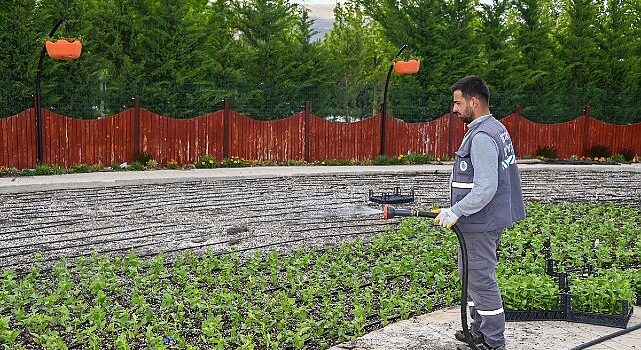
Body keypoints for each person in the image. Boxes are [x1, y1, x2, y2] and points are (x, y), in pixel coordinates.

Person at [433, 75, 525, 350]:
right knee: (472, 276)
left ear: (474, 101)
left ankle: (493, 341)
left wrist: (456, 211)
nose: (454, 108)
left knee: (481, 280)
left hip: (480, 222)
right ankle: (479, 330)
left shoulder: (483, 136)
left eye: (458, 102)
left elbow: (485, 188)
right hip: (480, 221)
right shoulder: (495, 129)